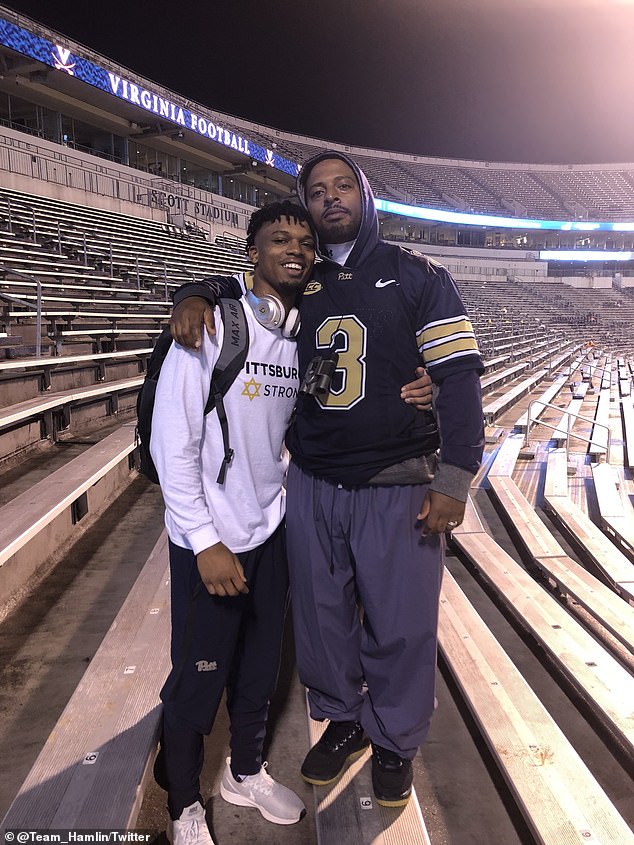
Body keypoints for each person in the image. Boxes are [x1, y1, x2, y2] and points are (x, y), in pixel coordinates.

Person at [170, 151, 484, 809]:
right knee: (320, 619)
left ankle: (395, 736)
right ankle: (344, 717)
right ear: (305, 204)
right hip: (311, 481)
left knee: (400, 623)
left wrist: (454, 477)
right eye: (318, 190)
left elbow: (457, 377)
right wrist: (194, 293)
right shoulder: (300, 283)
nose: (331, 198)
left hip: (396, 480)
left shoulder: (417, 274)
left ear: (366, 197)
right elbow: (241, 288)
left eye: (344, 186)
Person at [150, 200, 316, 845]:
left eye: (304, 240)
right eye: (280, 239)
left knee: (259, 666)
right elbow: (174, 443)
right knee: (197, 674)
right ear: (253, 253)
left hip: (269, 525)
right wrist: (204, 541)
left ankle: (244, 772)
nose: (295, 248)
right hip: (212, 537)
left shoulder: (300, 333)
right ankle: (183, 803)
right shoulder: (212, 325)